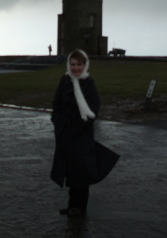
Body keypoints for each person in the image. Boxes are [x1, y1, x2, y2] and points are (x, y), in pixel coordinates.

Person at [50, 49, 119, 217]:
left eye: (79, 64)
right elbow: (56, 102)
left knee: (81, 172)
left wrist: (79, 127)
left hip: (81, 134)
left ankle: (79, 207)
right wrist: (57, 121)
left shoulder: (88, 84)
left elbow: (94, 108)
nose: (75, 68)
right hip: (65, 133)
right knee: (70, 170)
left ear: (84, 65)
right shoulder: (65, 80)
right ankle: (72, 204)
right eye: (72, 64)